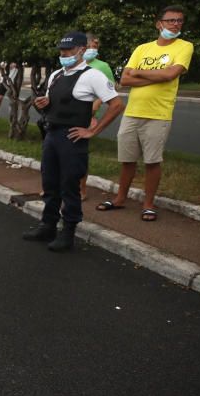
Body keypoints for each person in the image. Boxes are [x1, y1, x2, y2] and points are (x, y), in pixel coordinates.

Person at [22, 32, 124, 252]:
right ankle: (47, 225)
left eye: (68, 50)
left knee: (70, 186)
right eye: (61, 51)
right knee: (49, 183)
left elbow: (116, 105)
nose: (64, 54)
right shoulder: (56, 75)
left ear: (81, 50)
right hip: (51, 134)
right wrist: (45, 103)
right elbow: (55, 104)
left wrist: (93, 130)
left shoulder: (92, 75)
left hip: (72, 138)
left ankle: (68, 231)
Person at [96, 6, 193, 222]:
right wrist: (154, 75)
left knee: (152, 161)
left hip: (158, 113)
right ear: (159, 23)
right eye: (171, 20)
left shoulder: (184, 46)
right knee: (127, 159)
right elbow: (125, 80)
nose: (175, 24)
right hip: (133, 112)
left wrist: (139, 72)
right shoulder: (142, 49)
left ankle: (148, 204)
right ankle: (120, 198)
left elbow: (170, 74)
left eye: (179, 21)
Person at [78, 33, 116, 201]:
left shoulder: (102, 66)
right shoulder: (74, 63)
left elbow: (111, 89)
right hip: (66, 114)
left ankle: (81, 189)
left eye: (96, 47)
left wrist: (98, 102)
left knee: (79, 153)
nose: (93, 50)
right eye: (90, 46)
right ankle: (53, 187)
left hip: (87, 115)